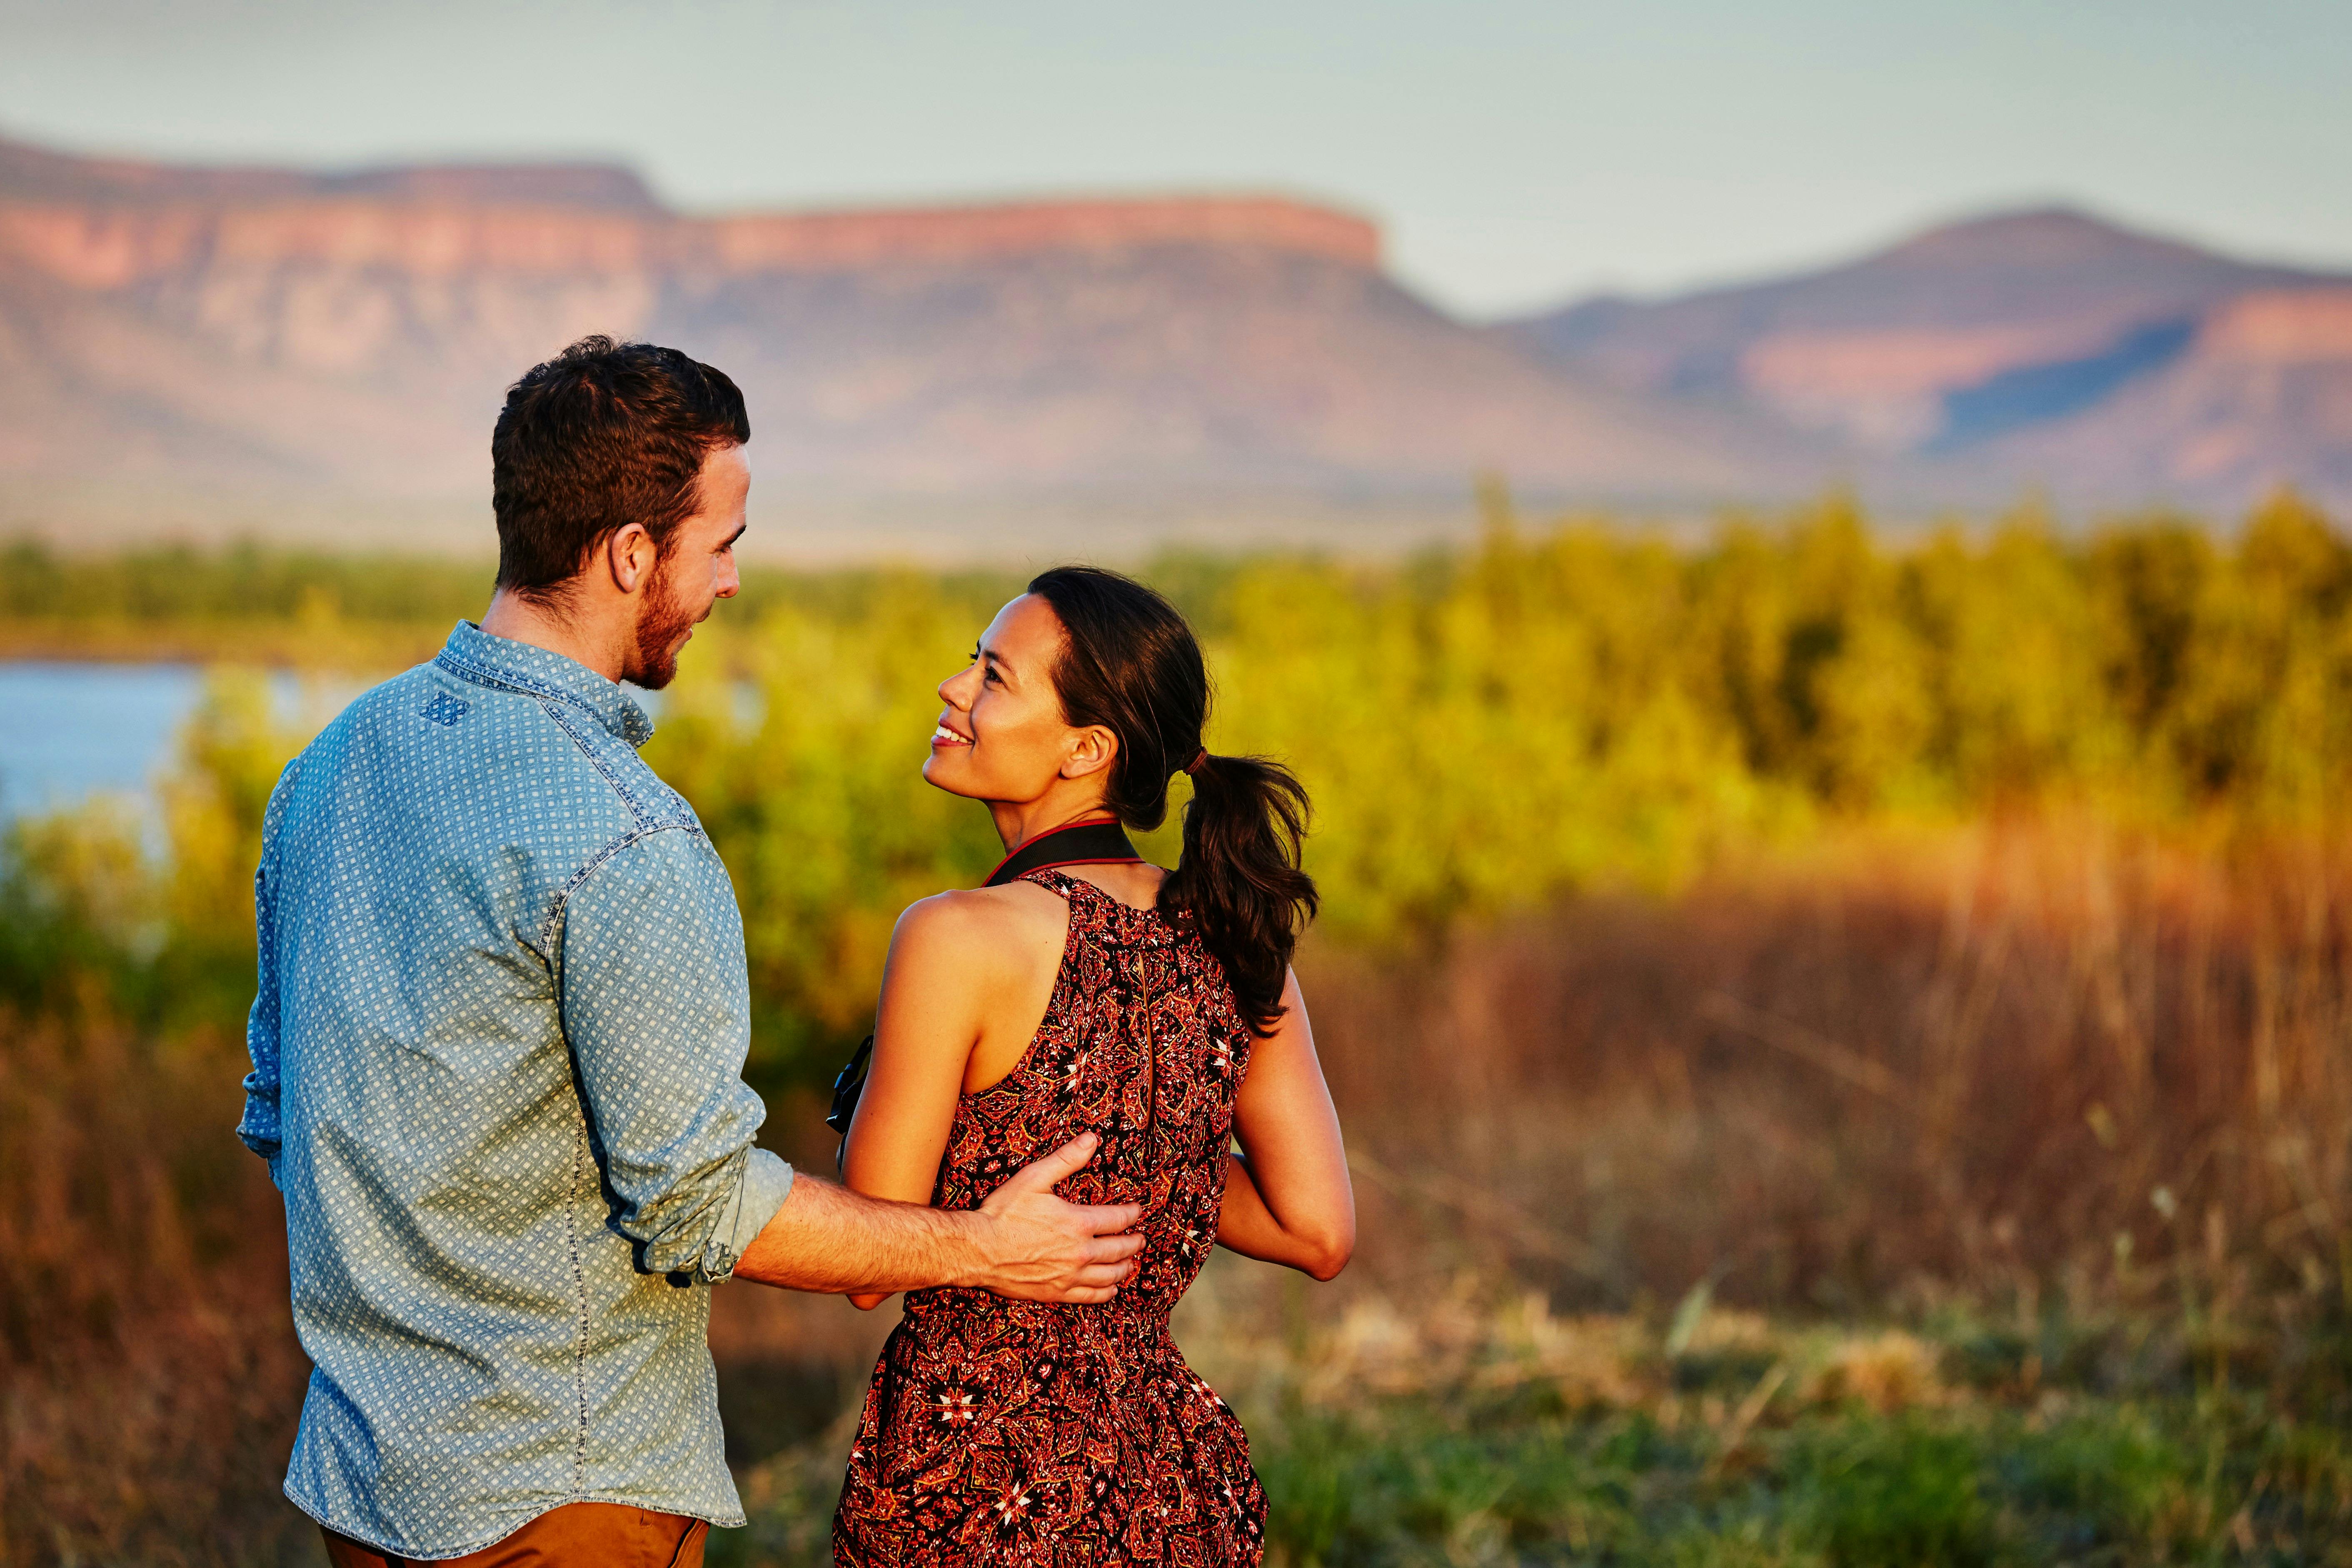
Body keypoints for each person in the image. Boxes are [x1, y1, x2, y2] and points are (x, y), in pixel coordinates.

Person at [236, 337, 1146, 1568]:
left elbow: (284, 1118)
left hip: (362, 1487)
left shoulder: (326, 770)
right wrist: (982, 1246)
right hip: (561, 1501)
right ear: (628, 554)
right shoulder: (624, 833)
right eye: (720, 543)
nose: (726, 582)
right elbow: (701, 1205)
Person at [832, 567, 1356, 1565]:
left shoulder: (957, 936)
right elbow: (1317, 1227)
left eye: (993, 676)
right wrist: (1149, 1159)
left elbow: (870, 1253)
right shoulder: (1231, 928)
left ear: (1088, 749)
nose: (953, 688)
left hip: (982, 1478)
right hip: (1167, 1481)